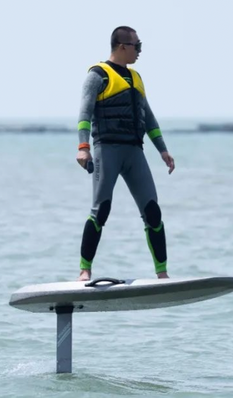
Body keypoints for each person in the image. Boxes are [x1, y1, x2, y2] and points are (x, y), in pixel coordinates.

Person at [75, 26, 175, 282]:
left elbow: (148, 117)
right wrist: (83, 148)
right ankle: (85, 269)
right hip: (106, 150)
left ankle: (162, 274)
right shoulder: (98, 75)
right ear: (122, 46)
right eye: (136, 46)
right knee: (101, 210)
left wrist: (162, 149)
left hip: (134, 152)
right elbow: (84, 114)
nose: (139, 51)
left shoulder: (136, 77)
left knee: (153, 212)